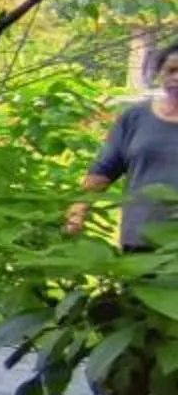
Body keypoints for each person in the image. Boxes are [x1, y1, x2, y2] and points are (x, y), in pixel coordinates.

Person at [72, 41, 178, 249]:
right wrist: (79, 209)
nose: (177, 77)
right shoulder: (136, 117)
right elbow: (105, 169)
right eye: (172, 70)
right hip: (140, 238)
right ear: (160, 74)